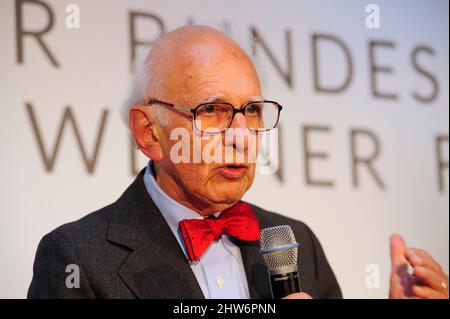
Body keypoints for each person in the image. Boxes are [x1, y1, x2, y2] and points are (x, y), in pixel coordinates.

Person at [28, 25, 448, 299]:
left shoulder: (295, 242)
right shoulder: (75, 256)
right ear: (148, 132)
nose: (241, 135)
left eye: (252, 110)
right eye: (211, 110)